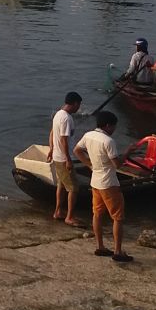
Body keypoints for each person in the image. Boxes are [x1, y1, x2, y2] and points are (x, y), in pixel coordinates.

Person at [74, 111, 132, 262]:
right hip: (109, 183)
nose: (114, 129)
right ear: (108, 125)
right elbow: (117, 164)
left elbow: (77, 150)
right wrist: (127, 153)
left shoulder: (89, 135)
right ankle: (118, 251)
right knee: (118, 217)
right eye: (114, 126)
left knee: (97, 214)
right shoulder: (108, 141)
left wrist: (89, 164)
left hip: (95, 181)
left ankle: (100, 246)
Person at [47, 92, 84, 226]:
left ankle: (58, 211)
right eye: (78, 105)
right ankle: (70, 216)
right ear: (74, 103)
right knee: (73, 188)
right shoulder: (67, 118)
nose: (79, 108)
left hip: (58, 156)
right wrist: (68, 159)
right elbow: (63, 140)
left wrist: (51, 149)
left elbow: (52, 132)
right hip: (63, 158)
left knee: (62, 185)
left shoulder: (58, 114)